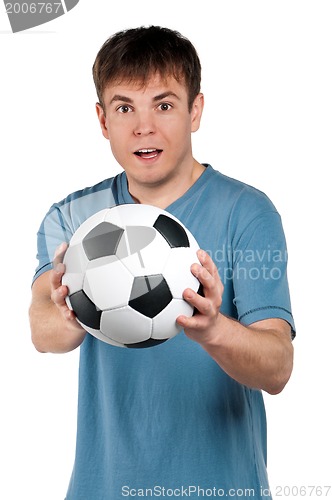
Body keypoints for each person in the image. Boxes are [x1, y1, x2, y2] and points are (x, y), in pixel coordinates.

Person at [29, 26, 295, 499]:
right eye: (124, 107)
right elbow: (42, 331)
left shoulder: (248, 212)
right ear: (102, 118)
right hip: (103, 489)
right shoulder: (72, 218)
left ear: (195, 111)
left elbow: (277, 367)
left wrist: (215, 329)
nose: (143, 127)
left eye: (165, 105)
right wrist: (71, 310)